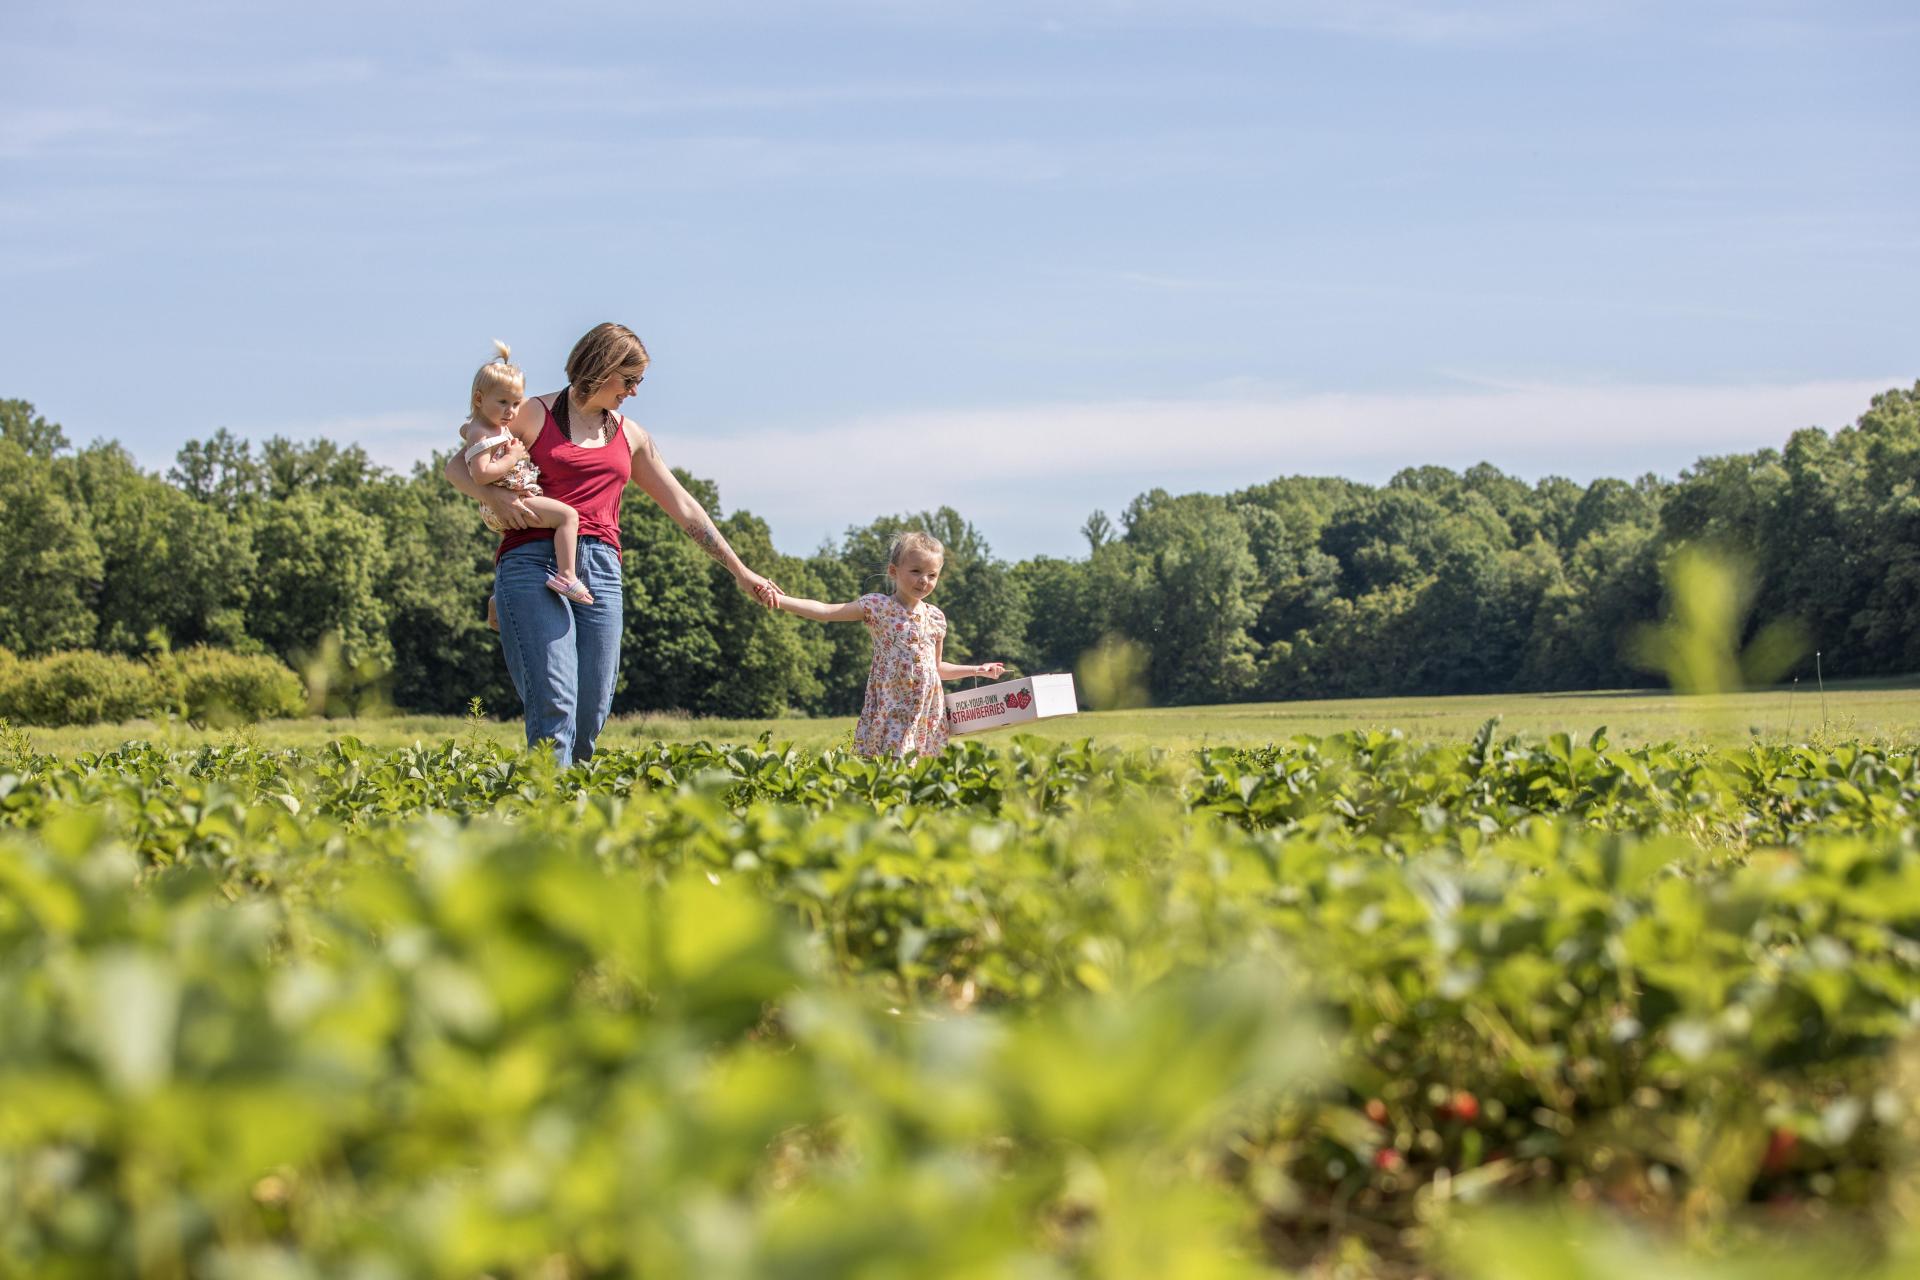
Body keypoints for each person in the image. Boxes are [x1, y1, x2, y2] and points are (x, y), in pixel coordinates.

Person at [444, 322, 779, 762]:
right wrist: (492, 496)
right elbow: (457, 468)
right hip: (531, 559)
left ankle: (579, 808)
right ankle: (551, 814)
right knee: (555, 700)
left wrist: (740, 569)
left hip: (600, 570)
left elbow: (684, 506)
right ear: (601, 368)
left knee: (592, 709)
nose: (635, 391)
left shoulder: (631, 436)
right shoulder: (532, 413)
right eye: (630, 379)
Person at [773, 530, 1004, 757]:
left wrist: (977, 670)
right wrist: (780, 600)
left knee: (918, 777)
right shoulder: (879, 606)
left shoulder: (936, 618)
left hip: (924, 714)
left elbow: (937, 668)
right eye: (915, 571)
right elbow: (825, 611)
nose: (924, 580)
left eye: (932, 575)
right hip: (891, 708)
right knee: (888, 771)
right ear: (893, 571)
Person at [456, 342, 593, 626]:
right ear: (479, 399)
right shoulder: (483, 432)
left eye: (516, 403)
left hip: (515, 496)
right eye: (503, 402)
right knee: (568, 515)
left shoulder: (485, 427)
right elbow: (481, 474)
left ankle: (500, 599)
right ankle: (567, 575)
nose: (511, 411)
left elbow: (466, 431)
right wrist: (513, 456)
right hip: (507, 502)